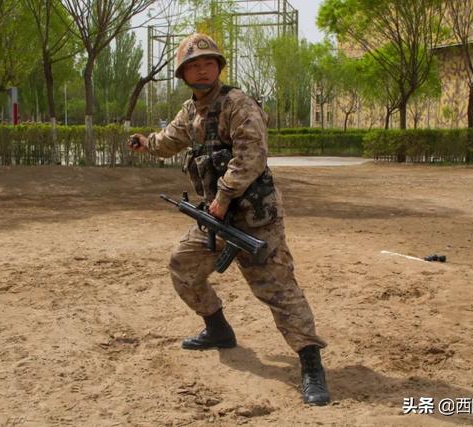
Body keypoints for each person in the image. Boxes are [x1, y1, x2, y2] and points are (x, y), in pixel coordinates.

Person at [128, 33, 330, 406]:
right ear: (184, 74)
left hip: (254, 219)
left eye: (207, 63)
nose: (201, 69)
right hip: (215, 219)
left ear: (218, 68)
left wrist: (221, 198)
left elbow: (251, 154)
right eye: (193, 65)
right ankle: (218, 330)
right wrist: (146, 142)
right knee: (182, 265)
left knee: (278, 290)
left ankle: (311, 365)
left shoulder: (238, 104)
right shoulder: (190, 112)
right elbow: (169, 140)